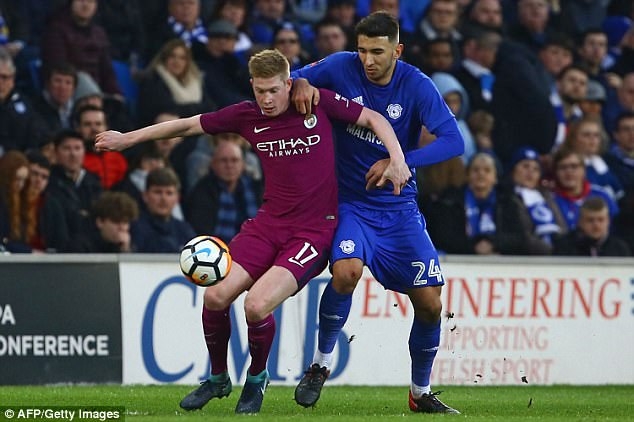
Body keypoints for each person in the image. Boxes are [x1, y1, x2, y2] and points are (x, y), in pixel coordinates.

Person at [94, 48, 410, 414]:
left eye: (274, 90)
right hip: (267, 224)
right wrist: (127, 139)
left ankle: (257, 378)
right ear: (252, 86)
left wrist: (397, 158)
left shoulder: (315, 103)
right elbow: (186, 125)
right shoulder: (247, 115)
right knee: (215, 297)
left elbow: (373, 117)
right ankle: (217, 378)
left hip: (313, 232)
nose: (267, 99)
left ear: (289, 84)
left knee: (256, 305)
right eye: (260, 91)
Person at [290, 11, 463, 414]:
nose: (367, 60)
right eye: (363, 50)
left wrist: (400, 161)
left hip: (398, 206)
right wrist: (300, 81)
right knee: (346, 271)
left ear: (397, 51)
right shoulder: (339, 66)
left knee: (431, 304)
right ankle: (319, 365)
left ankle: (420, 392)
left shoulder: (417, 85)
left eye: (377, 52)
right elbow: (290, 79)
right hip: (348, 201)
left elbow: (453, 141)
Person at [184, 137, 262, 244]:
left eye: (234, 160)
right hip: (215, 248)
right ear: (213, 164)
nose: (229, 166)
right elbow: (201, 230)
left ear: (243, 165)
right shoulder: (201, 191)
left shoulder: (256, 189)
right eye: (223, 160)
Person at [129, 167, 195, 253]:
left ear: (177, 198)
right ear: (145, 196)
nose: (163, 198)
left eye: (169, 193)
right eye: (158, 192)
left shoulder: (185, 231)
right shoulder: (133, 228)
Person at [63, 190, 139, 253]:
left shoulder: (129, 246)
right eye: (116, 222)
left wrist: (125, 250)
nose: (122, 228)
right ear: (100, 222)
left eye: (125, 222)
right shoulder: (80, 246)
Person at [553, 197, 631, 256]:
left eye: (601, 220)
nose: (596, 225)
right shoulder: (564, 246)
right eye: (590, 220)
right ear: (580, 222)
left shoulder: (620, 248)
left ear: (608, 221)